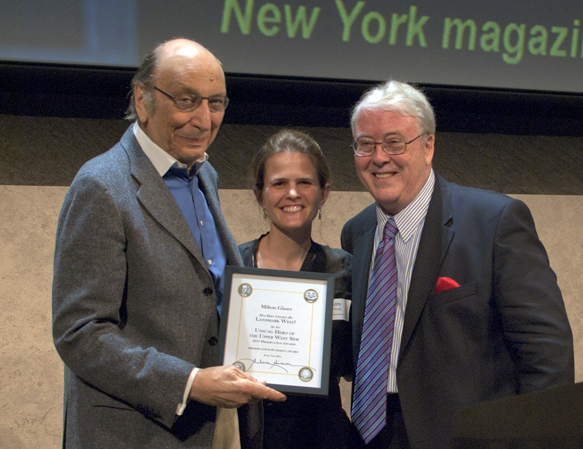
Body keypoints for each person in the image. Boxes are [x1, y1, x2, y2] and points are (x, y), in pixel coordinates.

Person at [51, 38, 285, 449]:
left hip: (208, 427)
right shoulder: (101, 186)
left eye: (216, 103)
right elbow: (79, 332)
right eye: (186, 99)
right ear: (143, 100)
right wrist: (189, 383)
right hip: (130, 433)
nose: (203, 118)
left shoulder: (202, 175)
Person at [341, 80, 574, 449]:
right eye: (365, 144)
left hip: (468, 437)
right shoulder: (357, 233)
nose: (379, 157)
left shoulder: (495, 221)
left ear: (428, 145)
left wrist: (537, 438)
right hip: (373, 433)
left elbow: (546, 351)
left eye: (394, 142)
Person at [239, 129, 361, 449]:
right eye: (279, 183)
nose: (292, 193)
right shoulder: (231, 266)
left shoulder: (346, 270)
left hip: (323, 436)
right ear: (259, 193)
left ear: (324, 192)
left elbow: (356, 363)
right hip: (247, 434)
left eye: (304, 182)